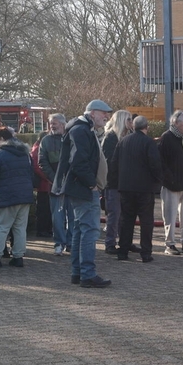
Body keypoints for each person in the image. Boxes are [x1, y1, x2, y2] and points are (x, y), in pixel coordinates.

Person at [52, 99, 112, 288]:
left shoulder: (80, 129)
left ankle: (78, 273)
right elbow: (79, 162)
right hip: (84, 189)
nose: (107, 116)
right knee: (89, 231)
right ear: (92, 113)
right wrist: (92, 184)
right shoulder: (81, 130)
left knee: (79, 230)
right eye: (104, 113)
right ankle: (87, 274)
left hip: (79, 188)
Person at [109, 115, 163, 262]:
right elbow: (155, 165)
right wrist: (157, 182)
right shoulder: (149, 143)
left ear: (133, 126)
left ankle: (123, 251)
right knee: (146, 222)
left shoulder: (123, 142)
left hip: (126, 188)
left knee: (126, 220)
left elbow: (114, 164)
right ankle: (146, 253)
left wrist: (116, 183)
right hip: (144, 189)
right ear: (147, 127)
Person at [0, 126, 34, 268]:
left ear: (0, 139)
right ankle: (18, 257)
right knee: (19, 227)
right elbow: (31, 174)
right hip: (24, 195)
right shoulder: (25, 153)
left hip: (6, 196)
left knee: (1, 227)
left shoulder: (0, 154)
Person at [157, 110, 183, 256]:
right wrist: (170, 179)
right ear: (176, 123)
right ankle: (170, 244)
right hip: (171, 185)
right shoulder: (166, 138)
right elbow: (161, 163)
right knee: (170, 215)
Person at [101, 109, 133, 254]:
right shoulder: (111, 138)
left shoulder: (126, 137)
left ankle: (125, 241)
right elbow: (108, 162)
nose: (131, 123)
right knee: (114, 213)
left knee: (125, 214)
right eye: (128, 120)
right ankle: (110, 243)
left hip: (125, 182)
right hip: (114, 182)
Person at [38, 113, 70, 256]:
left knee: (73, 216)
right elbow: (42, 162)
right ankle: (59, 243)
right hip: (55, 185)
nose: (52, 125)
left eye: (55, 123)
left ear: (63, 124)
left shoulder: (71, 138)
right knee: (57, 217)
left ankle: (71, 243)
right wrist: (54, 178)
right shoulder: (45, 141)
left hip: (71, 184)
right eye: (51, 123)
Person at [29, 136, 52, 238]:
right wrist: (48, 177)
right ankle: (42, 230)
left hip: (46, 183)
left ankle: (46, 229)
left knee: (46, 208)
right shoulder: (37, 149)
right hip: (44, 184)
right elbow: (37, 167)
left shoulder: (37, 148)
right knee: (43, 208)